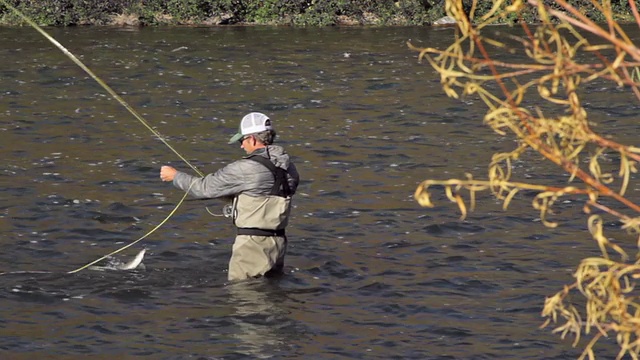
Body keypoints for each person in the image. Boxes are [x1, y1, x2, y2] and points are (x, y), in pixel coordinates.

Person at [159, 112, 300, 281]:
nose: (241, 146)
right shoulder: (288, 168)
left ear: (252, 139)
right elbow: (262, 195)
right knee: (271, 296)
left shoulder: (246, 167)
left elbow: (204, 188)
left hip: (252, 246)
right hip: (278, 243)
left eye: (242, 141)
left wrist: (175, 176)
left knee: (245, 297)